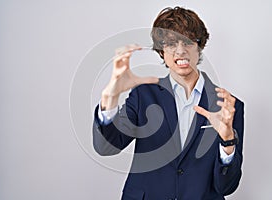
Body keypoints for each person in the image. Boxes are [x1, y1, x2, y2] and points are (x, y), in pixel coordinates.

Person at [93, 6, 244, 200]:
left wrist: (228, 141)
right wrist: (110, 97)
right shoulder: (143, 95)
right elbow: (106, 147)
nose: (180, 51)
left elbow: (227, 187)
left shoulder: (228, 106)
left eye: (188, 42)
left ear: (199, 47)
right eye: (171, 44)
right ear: (161, 51)